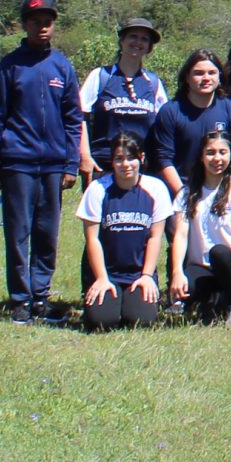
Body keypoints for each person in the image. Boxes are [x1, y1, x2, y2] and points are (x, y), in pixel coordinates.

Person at [0, 0, 84, 323]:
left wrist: (71, 163)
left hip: (53, 165)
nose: (42, 27)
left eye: (47, 22)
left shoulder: (62, 66)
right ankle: (19, 299)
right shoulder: (10, 65)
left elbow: (74, 119)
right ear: (24, 24)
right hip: (17, 162)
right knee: (18, 233)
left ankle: (40, 296)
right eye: (35, 21)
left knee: (47, 232)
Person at [77, 134, 172, 332]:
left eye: (131, 158)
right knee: (101, 322)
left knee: (141, 321)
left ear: (142, 158)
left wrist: (146, 275)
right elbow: (92, 239)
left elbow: (155, 237)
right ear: (112, 161)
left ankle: (131, 298)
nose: (125, 164)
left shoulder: (156, 188)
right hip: (106, 272)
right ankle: (102, 295)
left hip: (138, 273)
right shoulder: (97, 189)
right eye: (119, 159)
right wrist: (101, 278)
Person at [175, 126, 231, 328]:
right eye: (210, 152)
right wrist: (176, 273)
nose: (217, 158)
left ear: (230, 155)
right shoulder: (187, 193)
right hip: (202, 267)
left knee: (219, 253)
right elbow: (180, 236)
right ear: (201, 156)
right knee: (190, 288)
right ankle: (216, 301)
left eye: (222, 152)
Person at [79, 16, 166, 181]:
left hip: (140, 167)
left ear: (149, 47)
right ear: (122, 41)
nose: (138, 42)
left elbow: (163, 126)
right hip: (103, 164)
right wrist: (85, 155)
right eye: (133, 36)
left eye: (144, 39)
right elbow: (80, 116)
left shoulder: (153, 83)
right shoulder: (101, 76)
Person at [149, 49, 231, 193]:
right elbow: (163, 159)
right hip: (180, 192)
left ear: (219, 77)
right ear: (187, 77)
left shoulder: (229, 108)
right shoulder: (170, 111)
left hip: (218, 193)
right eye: (198, 73)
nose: (206, 78)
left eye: (212, 73)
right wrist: (183, 197)